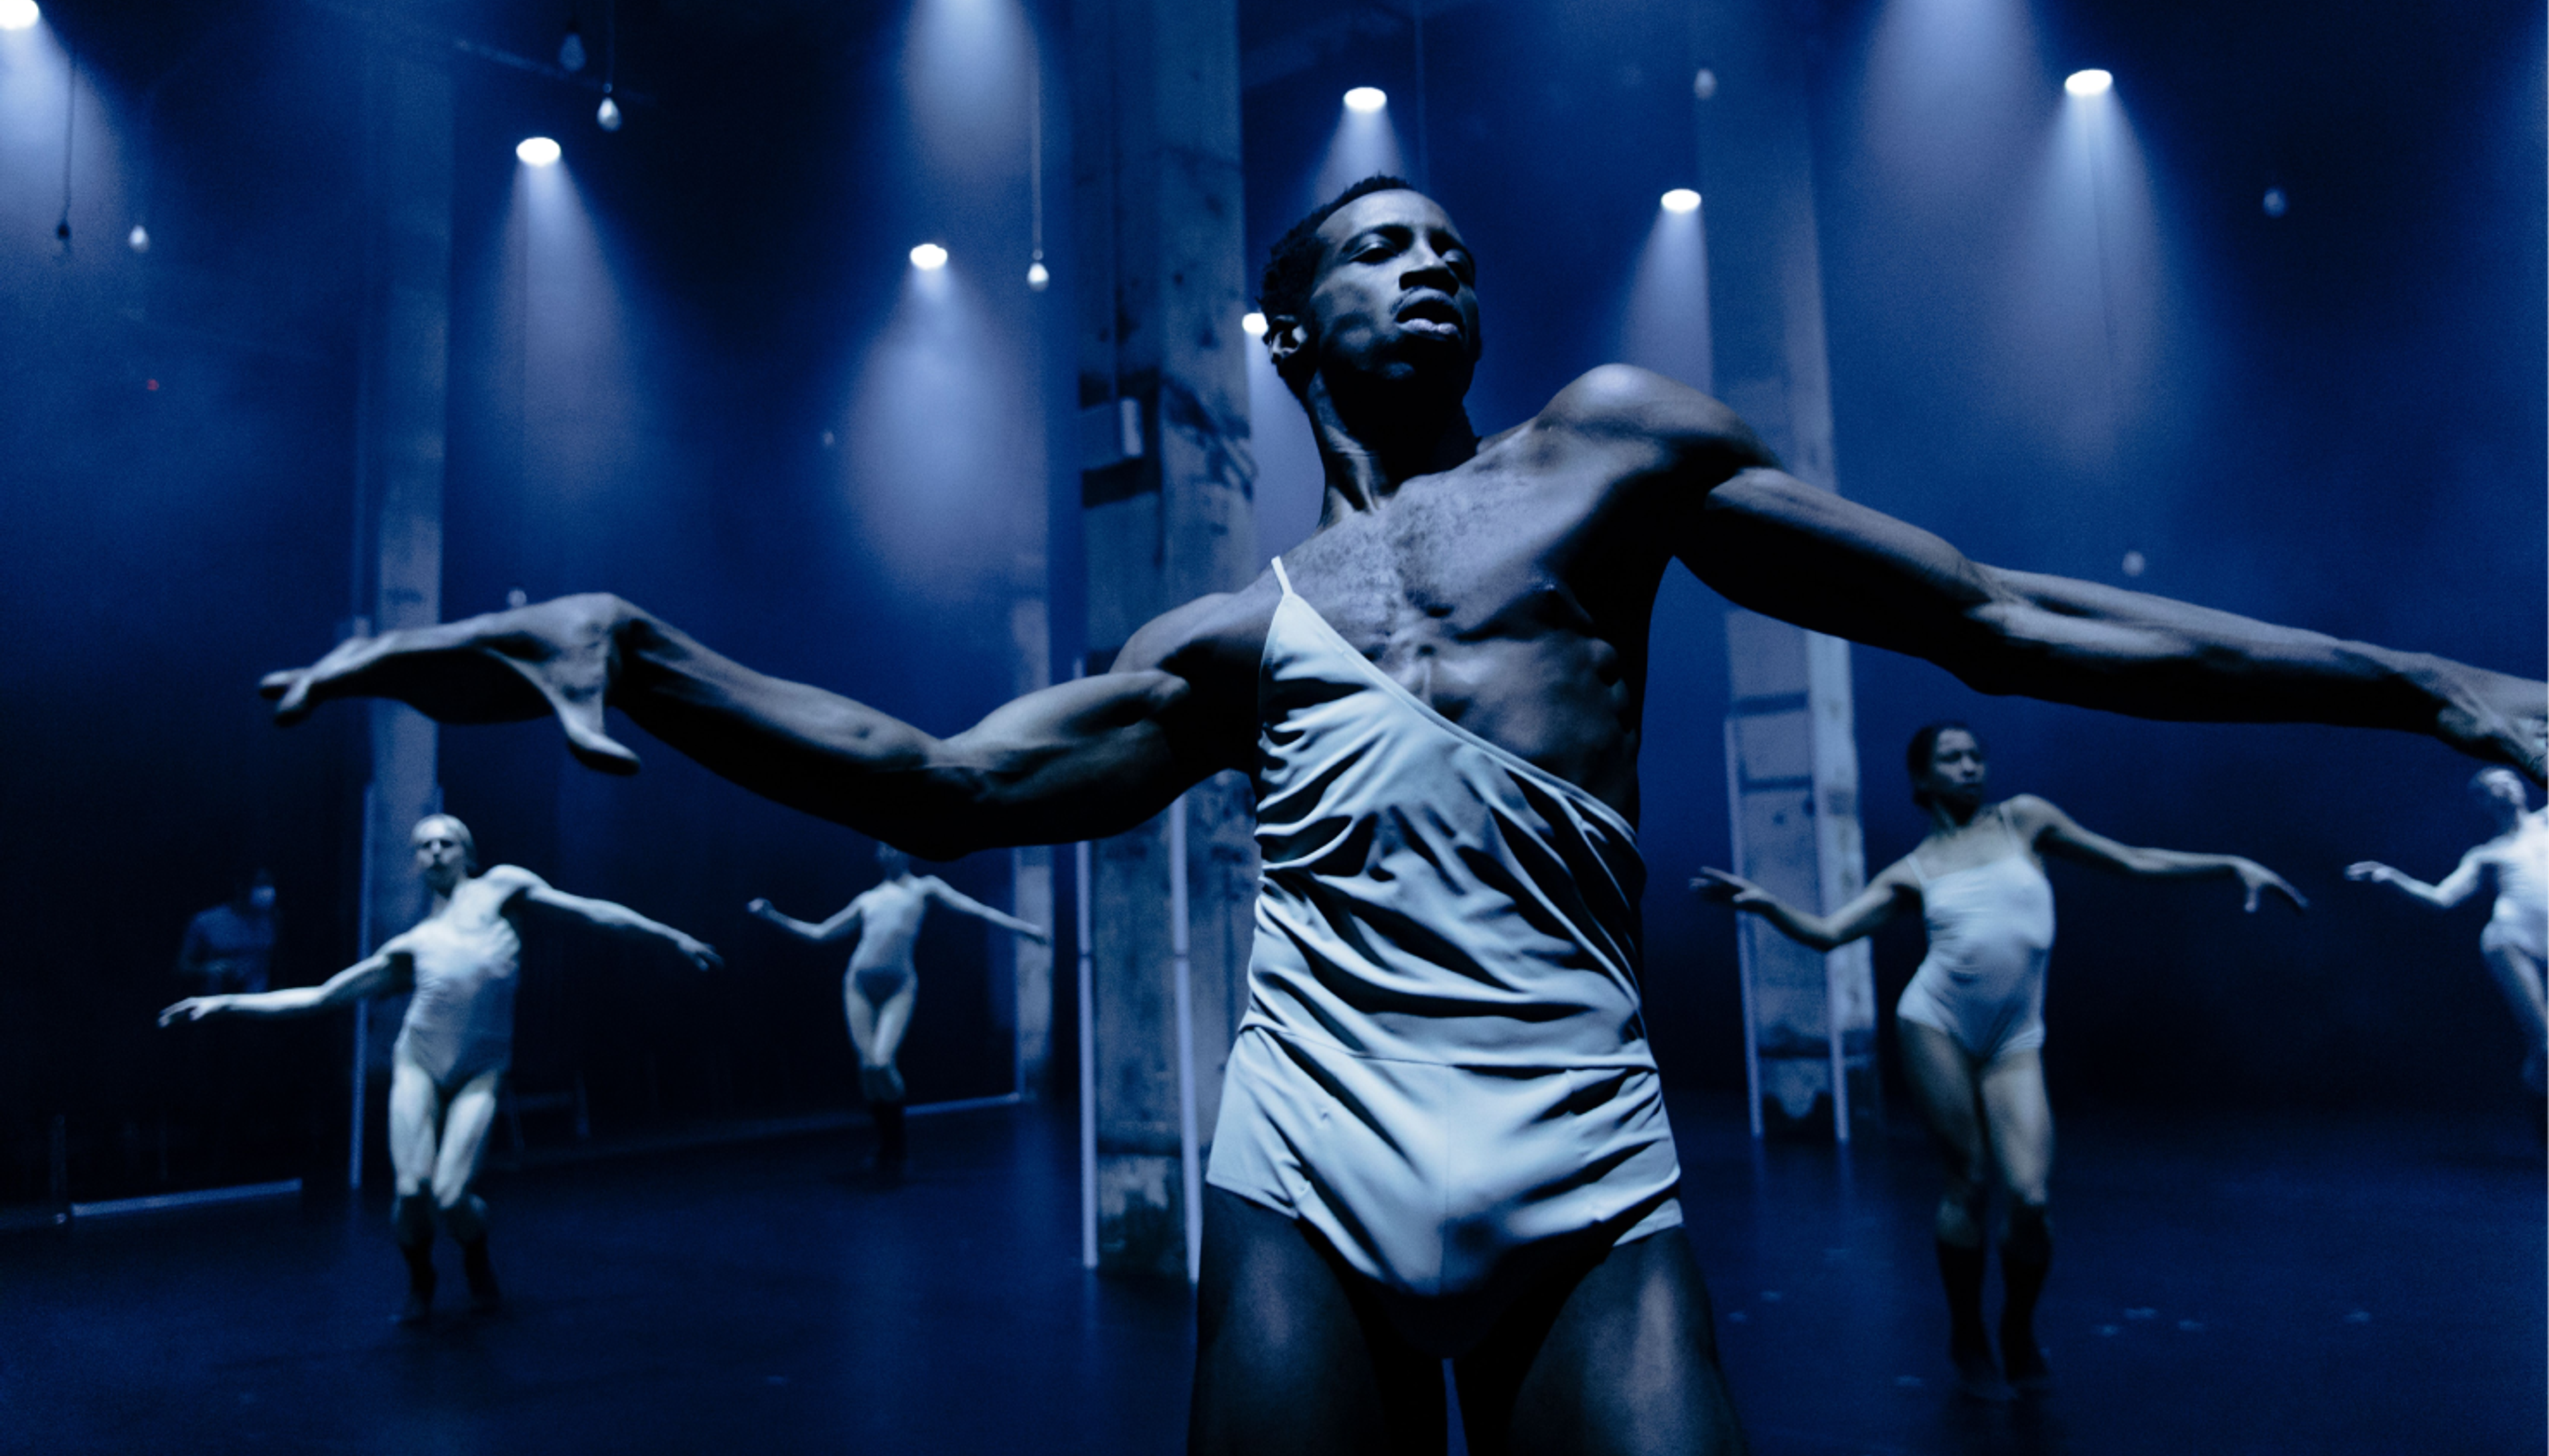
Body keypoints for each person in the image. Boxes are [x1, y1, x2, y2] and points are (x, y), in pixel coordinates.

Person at [252, 176, 2549, 1453]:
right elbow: (941, 786)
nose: (1431, 256)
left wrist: (2421, 677)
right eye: (1374, 244)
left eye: (1451, 238)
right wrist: (629, 648)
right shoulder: (1223, 635)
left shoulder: (1614, 453)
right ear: (1285, 330)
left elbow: (1997, 616)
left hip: (1580, 1161)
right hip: (1309, 1167)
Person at [1698, 723, 2301, 1398]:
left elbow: (2133, 860)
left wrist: (2229, 865)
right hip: (1937, 1025)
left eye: (1976, 755)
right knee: (1969, 1183)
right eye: (1950, 759)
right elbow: (1832, 934)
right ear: (1922, 781)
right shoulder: (1915, 870)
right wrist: (1769, 907)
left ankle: (2016, 1326)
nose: (1969, 766)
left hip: (2016, 1038)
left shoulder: (2026, 820)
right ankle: (1967, 1337)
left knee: (2031, 1199)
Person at [161, 814, 721, 1323]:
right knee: (410, 1189)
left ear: (467, 852)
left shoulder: (502, 886)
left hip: (482, 1065)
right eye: (423, 845)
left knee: (451, 1195)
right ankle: (422, 1278)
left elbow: (593, 912)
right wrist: (223, 1003)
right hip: (420, 1061)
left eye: (444, 842)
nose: (433, 851)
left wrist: (669, 937)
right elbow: (322, 996)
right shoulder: (414, 942)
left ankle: (476, 1262)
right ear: (416, 862)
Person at [748, 841, 1051, 1167]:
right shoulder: (869, 899)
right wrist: (772, 916)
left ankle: (897, 1143)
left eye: (893, 847)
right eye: (883, 849)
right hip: (859, 985)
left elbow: (976, 909)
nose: (888, 853)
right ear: (878, 856)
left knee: (881, 1062)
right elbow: (820, 934)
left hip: (899, 986)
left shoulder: (925, 888)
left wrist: (1025, 929)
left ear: (907, 852)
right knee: (867, 1069)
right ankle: (885, 1147)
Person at [2349, 766, 2549, 1142]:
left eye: (2510, 779)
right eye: (2495, 785)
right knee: (2547, 1044)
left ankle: (2539, 1087)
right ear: (2483, 800)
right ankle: (2543, 1118)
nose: (2506, 786)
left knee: (2545, 1054)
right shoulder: (2487, 852)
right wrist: (2394, 878)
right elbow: (2443, 898)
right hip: (2512, 940)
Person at [175, 870, 279, 995]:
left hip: (258, 1003)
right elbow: (181, 968)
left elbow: (279, 965)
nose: (267, 891)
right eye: (260, 884)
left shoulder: (273, 919)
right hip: (216, 1003)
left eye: (269, 884)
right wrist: (208, 969)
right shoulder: (206, 921)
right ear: (241, 886)